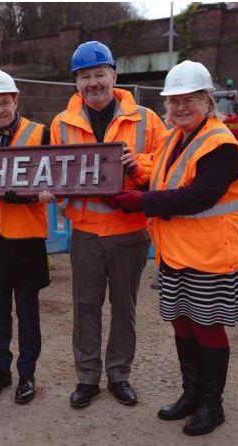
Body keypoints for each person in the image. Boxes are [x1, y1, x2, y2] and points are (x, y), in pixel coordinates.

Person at [105, 60, 238, 436]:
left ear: (207, 100)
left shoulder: (220, 144)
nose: (180, 108)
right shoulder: (174, 138)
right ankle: (191, 394)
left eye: (189, 100)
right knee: (182, 323)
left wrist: (139, 201)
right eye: (173, 102)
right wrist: (135, 172)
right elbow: (159, 175)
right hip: (178, 253)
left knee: (207, 327)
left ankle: (211, 405)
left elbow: (197, 196)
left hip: (211, 254)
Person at [45, 41, 166, 409]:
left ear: (114, 76)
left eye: (100, 74)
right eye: (85, 76)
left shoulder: (146, 119)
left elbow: (164, 172)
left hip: (130, 232)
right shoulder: (61, 124)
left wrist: (137, 166)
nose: (93, 82)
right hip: (86, 233)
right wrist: (52, 192)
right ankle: (86, 378)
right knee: (85, 307)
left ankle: (119, 375)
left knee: (124, 308)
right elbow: (54, 172)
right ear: (75, 83)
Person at [0, 69, 50, 404]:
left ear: (16, 100)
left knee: (28, 312)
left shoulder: (40, 133)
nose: (0, 109)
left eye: (5, 102)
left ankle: (27, 374)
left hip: (27, 236)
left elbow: (55, 182)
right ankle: (0, 371)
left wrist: (32, 195)